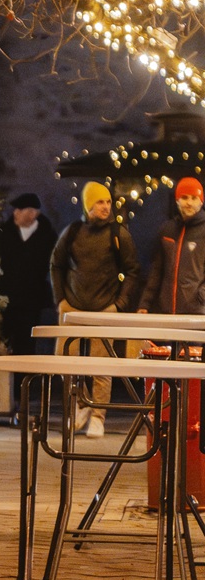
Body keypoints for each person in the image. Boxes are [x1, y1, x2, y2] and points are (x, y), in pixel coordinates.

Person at [51, 181, 140, 435]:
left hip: (104, 308)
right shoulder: (73, 231)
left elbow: (133, 270)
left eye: (108, 202)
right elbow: (56, 264)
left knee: (102, 365)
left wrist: (119, 304)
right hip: (73, 307)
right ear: (89, 204)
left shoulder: (118, 233)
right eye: (100, 202)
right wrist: (60, 300)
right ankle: (82, 403)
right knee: (64, 362)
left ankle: (98, 415)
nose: (106, 207)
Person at [0, 192, 56, 359]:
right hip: (6, 299)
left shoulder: (47, 236)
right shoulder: (2, 233)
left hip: (31, 301)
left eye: (21, 211)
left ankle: (25, 380)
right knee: (6, 341)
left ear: (33, 213)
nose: (15, 214)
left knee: (27, 345)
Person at [141, 177, 205, 317]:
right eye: (184, 197)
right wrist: (145, 303)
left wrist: (202, 296)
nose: (189, 203)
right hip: (167, 310)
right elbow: (157, 270)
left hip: (197, 313)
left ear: (201, 201)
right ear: (177, 200)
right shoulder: (167, 230)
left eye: (194, 198)